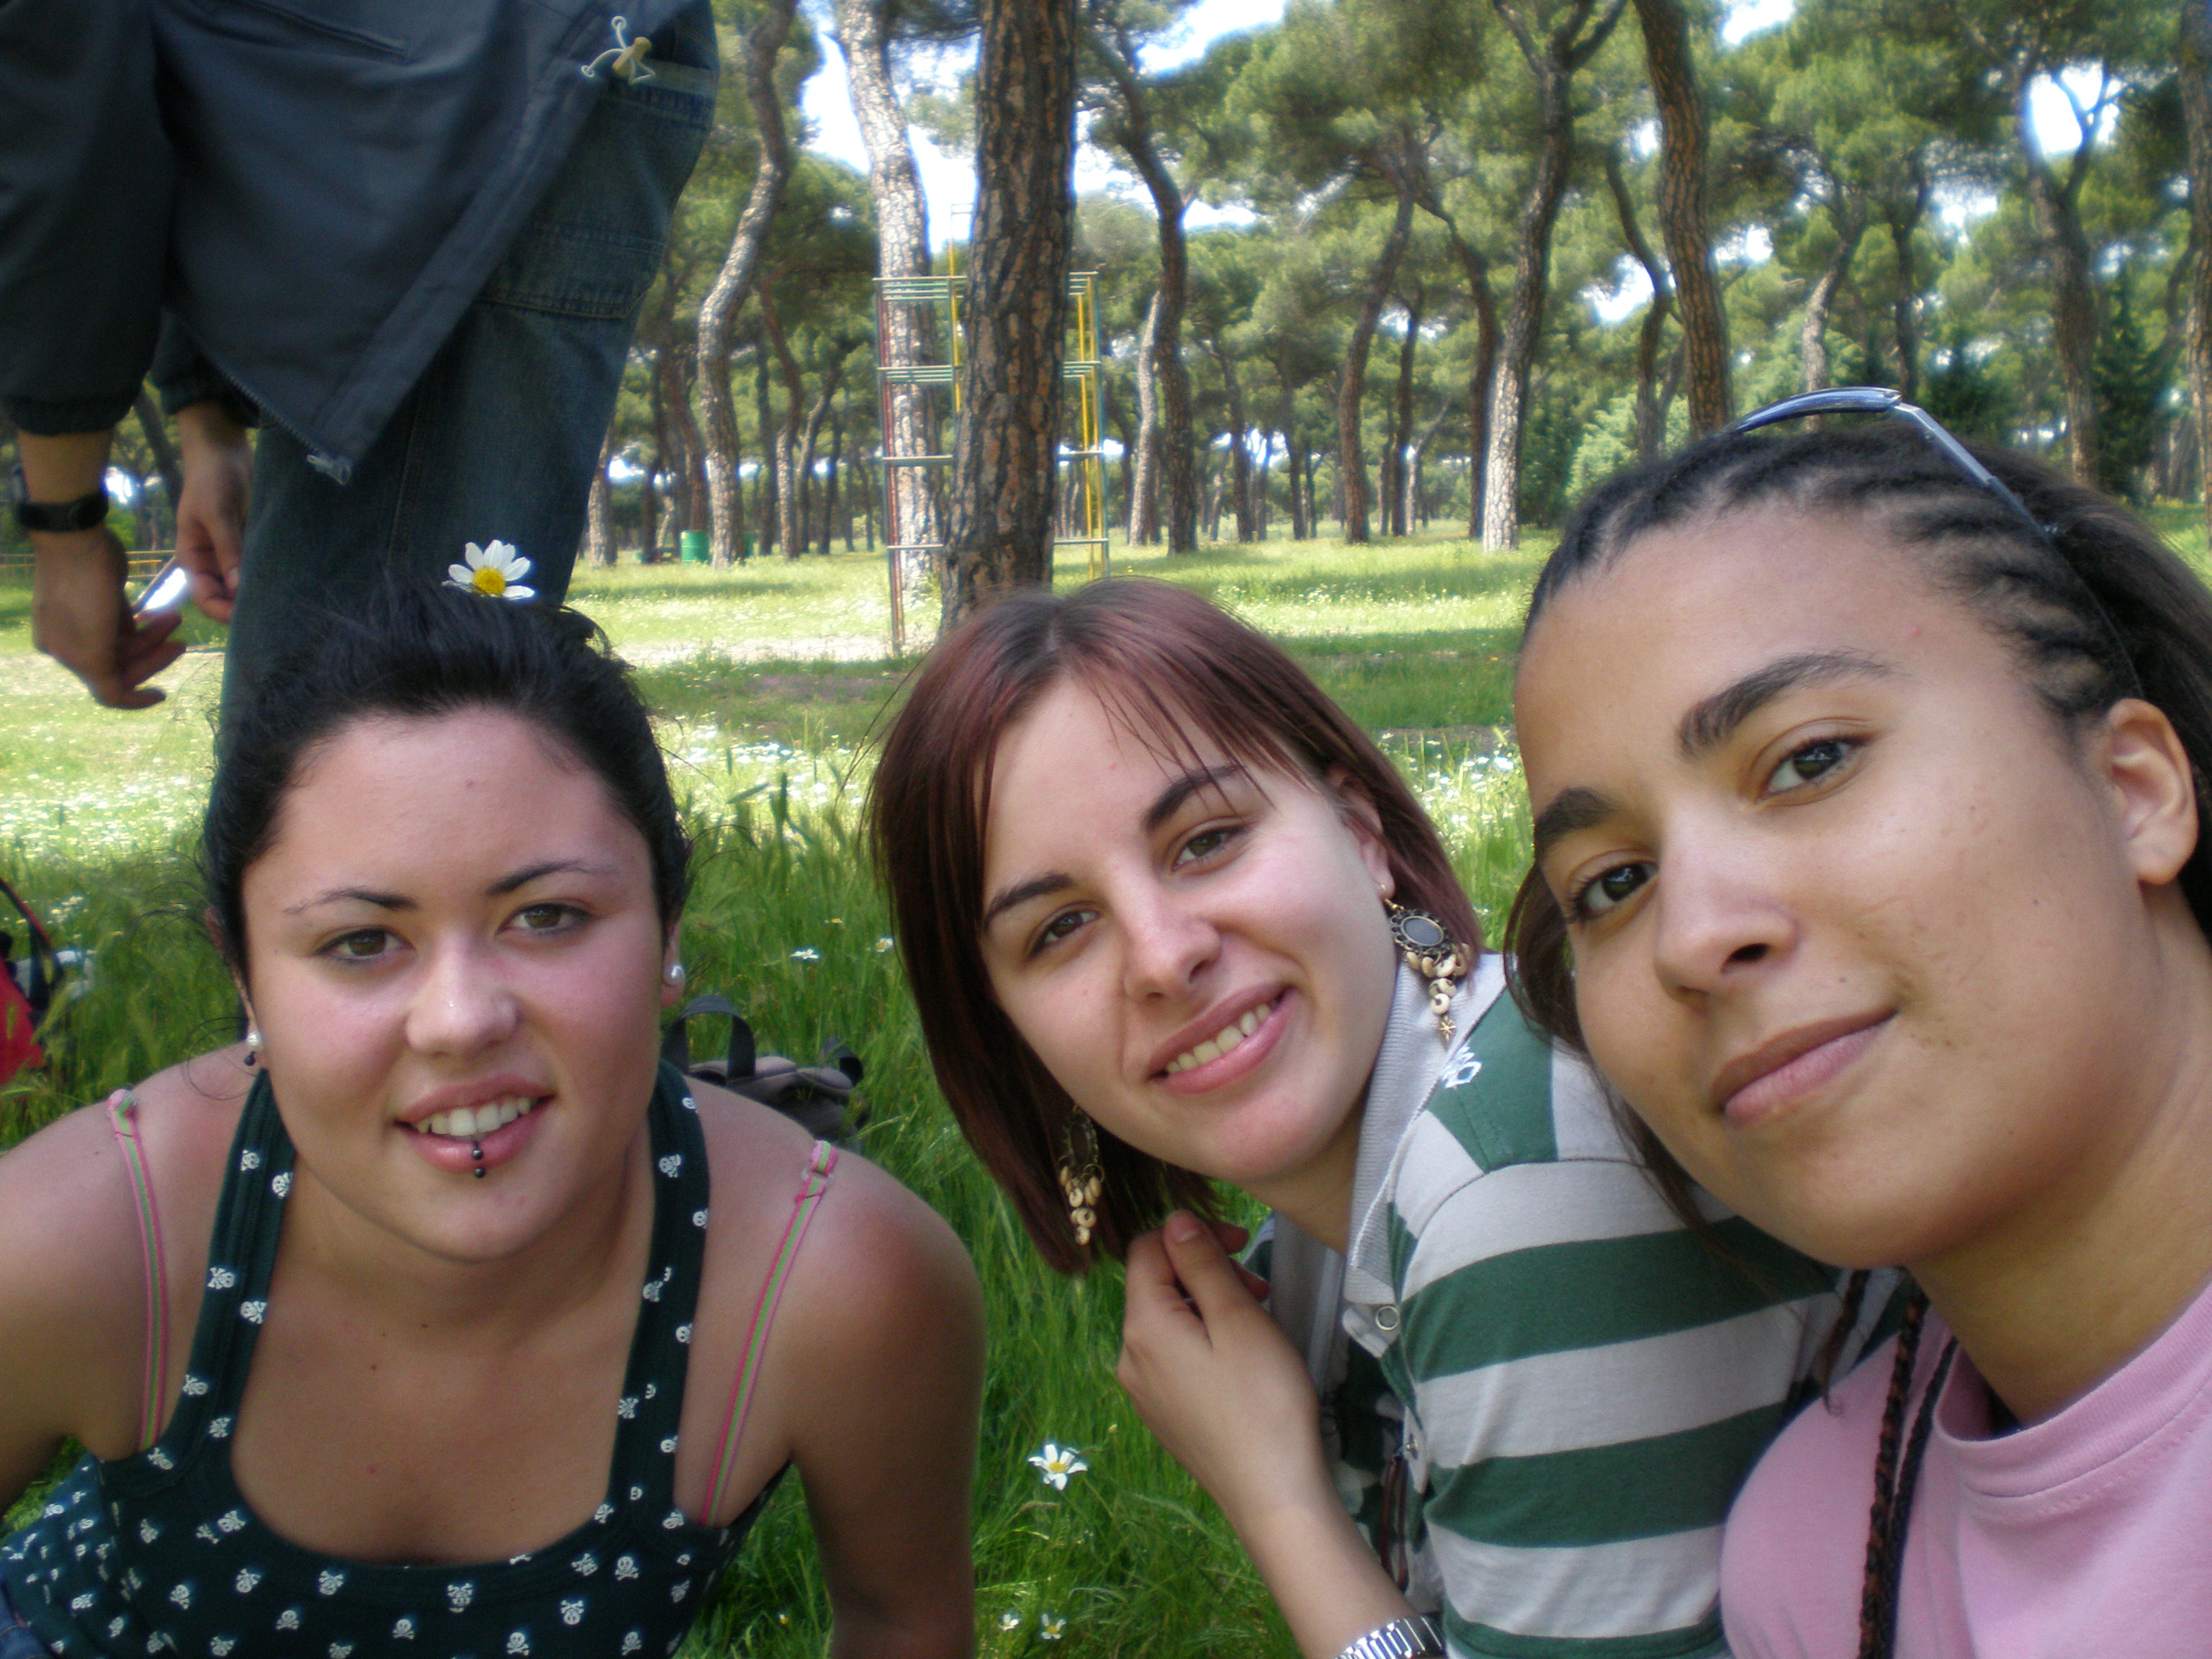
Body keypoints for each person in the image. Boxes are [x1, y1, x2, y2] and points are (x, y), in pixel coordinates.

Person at [867, 578, 1855, 1659]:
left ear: (1360, 833)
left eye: (1206, 841)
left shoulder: (1510, 1191)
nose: (1162, 957)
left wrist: (1278, 1501)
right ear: (1009, 1032)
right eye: (1059, 928)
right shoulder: (1339, 1227)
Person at [0, 585, 983, 1658]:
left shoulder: (833, 1281)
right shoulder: (88, 1243)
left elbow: (903, 1624)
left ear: (667, 933)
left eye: (546, 917)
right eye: (361, 942)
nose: (461, 1021)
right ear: (245, 979)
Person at [1506, 397, 2212, 1659]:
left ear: (2132, 791)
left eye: (1810, 759)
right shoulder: (1817, 1565)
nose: (1689, 937)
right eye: (1612, 883)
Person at [1, 0, 714, 718]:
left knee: (364, 725)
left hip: (463, 103)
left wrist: (66, 532)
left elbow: (68, 136)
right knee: (450, 695)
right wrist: (205, 412)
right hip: (553, 59)